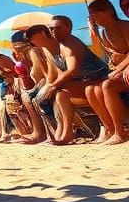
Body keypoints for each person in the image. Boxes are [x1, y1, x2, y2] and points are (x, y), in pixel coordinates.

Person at [47, 14, 111, 143]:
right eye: (51, 29)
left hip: (100, 78)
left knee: (57, 89)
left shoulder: (71, 42)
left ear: (68, 27)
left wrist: (52, 86)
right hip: (87, 81)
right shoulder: (62, 44)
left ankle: (108, 127)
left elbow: (72, 70)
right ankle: (67, 133)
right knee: (61, 95)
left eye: (58, 28)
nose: (54, 31)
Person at [86, 0, 129, 143]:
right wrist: (94, 31)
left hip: (125, 70)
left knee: (107, 86)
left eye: (95, 12)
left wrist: (119, 69)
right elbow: (103, 55)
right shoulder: (104, 33)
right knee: (93, 89)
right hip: (122, 70)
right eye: (90, 14)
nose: (93, 16)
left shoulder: (123, 26)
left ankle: (120, 131)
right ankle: (110, 128)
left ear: (109, 11)